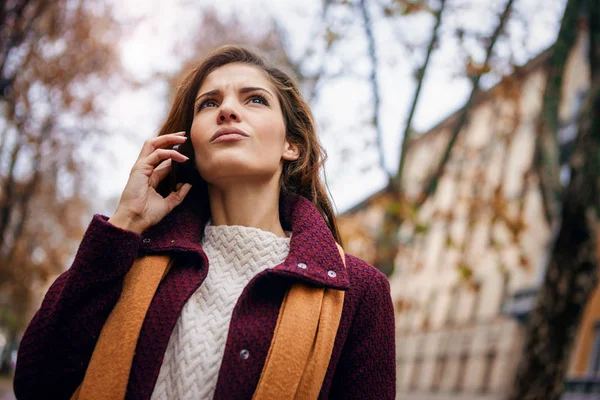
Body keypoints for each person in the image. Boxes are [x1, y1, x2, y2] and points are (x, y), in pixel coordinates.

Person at [13, 45, 396, 399]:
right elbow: (36, 381)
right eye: (208, 103)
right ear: (191, 146)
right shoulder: (127, 254)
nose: (227, 111)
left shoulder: (360, 292)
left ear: (290, 145)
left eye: (255, 100)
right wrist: (125, 223)